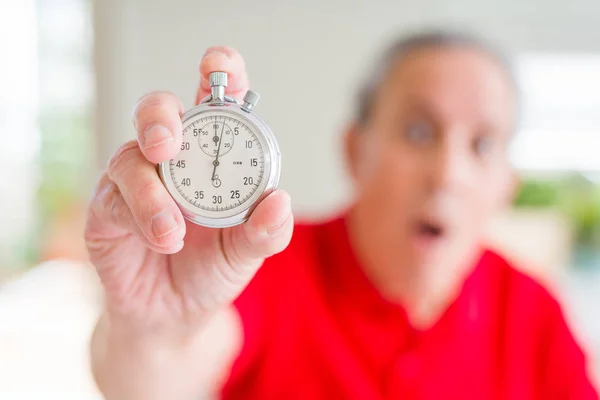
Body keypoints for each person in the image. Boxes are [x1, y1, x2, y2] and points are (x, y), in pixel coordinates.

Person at [86, 32, 598, 399]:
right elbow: (156, 382)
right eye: (419, 132)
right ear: (355, 150)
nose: (448, 174)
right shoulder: (251, 264)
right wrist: (151, 332)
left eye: (483, 144)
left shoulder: (536, 316)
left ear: (507, 185)